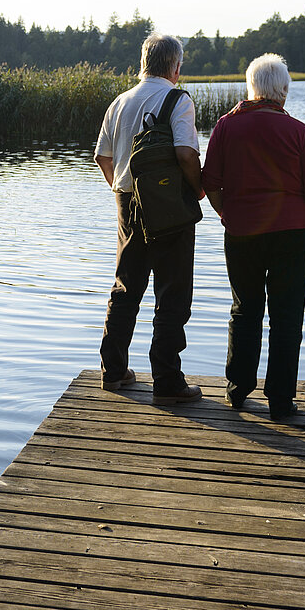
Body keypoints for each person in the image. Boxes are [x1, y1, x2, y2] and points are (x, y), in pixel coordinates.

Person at [199, 53, 305, 420]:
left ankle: (238, 390)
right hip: (293, 233)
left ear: (251, 87)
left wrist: (228, 213)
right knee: (286, 317)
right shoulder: (300, 132)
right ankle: (280, 400)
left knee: (245, 309)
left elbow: (209, 183)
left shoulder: (226, 127)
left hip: (242, 232)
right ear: (284, 91)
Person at [93, 32, 205, 403]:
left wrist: (120, 190)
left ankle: (113, 371)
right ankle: (167, 380)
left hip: (126, 202)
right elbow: (187, 154)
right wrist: (199, 190)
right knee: (172, 292)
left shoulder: (120, 102)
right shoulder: (178, 99)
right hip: (170, 206)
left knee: (127, 285)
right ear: (175, 66)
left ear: (143, 62)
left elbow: (102, 157)